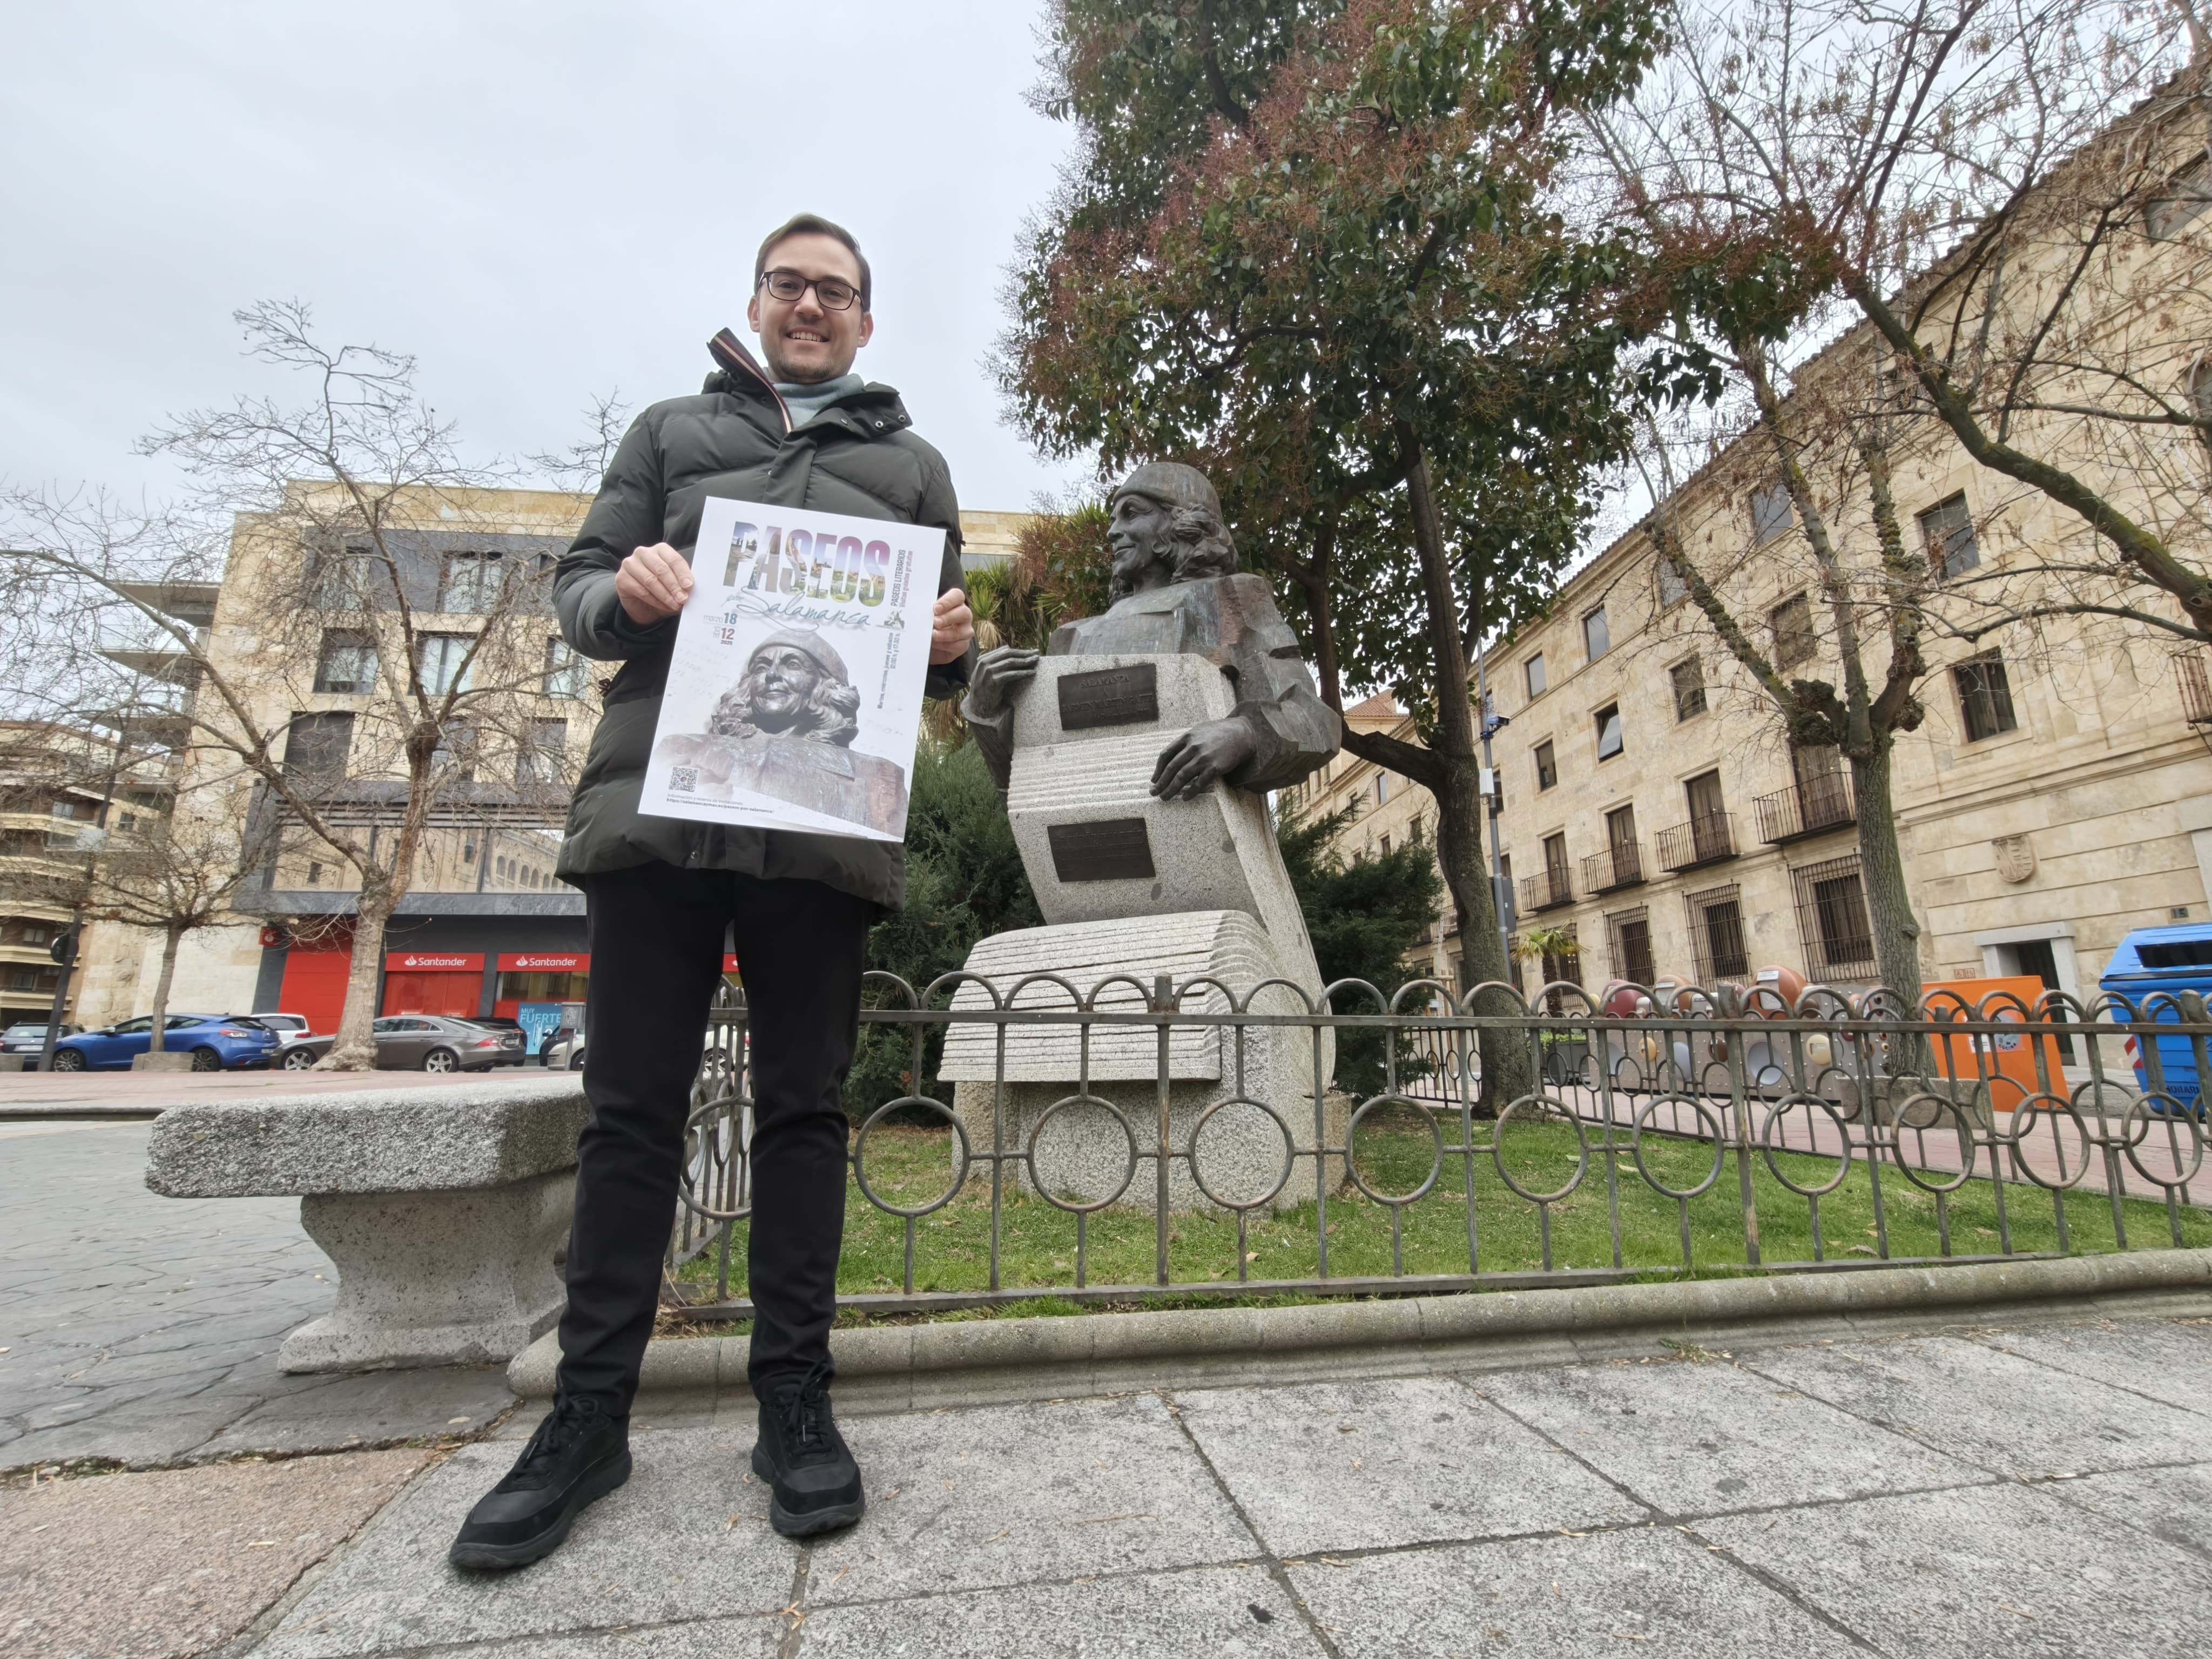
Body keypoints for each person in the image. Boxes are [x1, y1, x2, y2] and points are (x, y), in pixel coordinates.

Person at [448, 213, 975, 1569]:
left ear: (868, 320)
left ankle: (793, 1397)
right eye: (790, 284)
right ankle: (587, 1415)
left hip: (819, 836)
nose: (812, 305)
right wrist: (624, 591)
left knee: (805, 1114)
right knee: (630, 1115)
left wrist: (948, 650)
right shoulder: (672, 433)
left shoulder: (913, 468)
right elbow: (573, 592)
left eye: (837, 291)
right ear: (756, 301)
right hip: (657, 815)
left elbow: (932, 662)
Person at [653, 627, 911, 833]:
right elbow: (658, 801)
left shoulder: (878, 776)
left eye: (793, 664)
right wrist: (688, 793)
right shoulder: (686, 746)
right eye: (761, 668)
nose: (772, 675)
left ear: (824, 686)